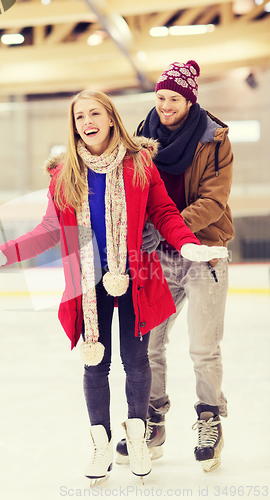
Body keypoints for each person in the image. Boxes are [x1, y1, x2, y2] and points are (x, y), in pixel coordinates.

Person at [0, 89, 228, 484]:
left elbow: (165, 213)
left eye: (94, 114)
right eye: (79, 117)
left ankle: (138, 437)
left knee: (137, 361)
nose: (86, 122)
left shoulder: (139, 164)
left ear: (110, 118)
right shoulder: (65, 172)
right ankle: (100, 444)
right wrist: (1, 254)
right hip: (88, 282)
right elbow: (50, 230)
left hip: (136, 275)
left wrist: (188, 244)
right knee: (95, 363)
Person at [115, 60, 234, 473]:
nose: (165, 105)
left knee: (203, 347)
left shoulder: (214, 138)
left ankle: (209, 418)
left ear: (190, 100)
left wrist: (168, 229)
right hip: (158, 257)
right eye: (161, 97)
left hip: (205, 249)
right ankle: (153, 419)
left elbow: (214, 200)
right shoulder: (139, 138)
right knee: (149, 343)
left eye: (174, 99)